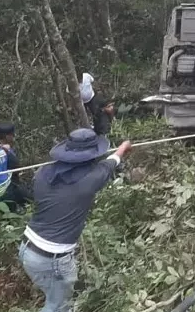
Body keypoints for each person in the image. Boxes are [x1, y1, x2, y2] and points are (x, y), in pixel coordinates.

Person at [20, 129, 131, 312]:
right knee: (58, 307)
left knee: (54, 298)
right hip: (53, 259)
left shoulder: (42, 173)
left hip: (27, 249)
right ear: (91, 156)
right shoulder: (90, 180)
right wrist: (124, 147)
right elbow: (111, 162)